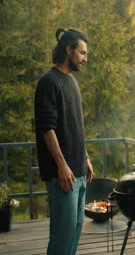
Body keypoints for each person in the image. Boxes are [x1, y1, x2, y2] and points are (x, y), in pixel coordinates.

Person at [34, 28, 94, 255]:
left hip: (78, 172)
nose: (85, 58)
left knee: (74, 232)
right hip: (63, 175)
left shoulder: (72, 82)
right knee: (62, 237)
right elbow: (46, 128)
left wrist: (85, 157)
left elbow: (76, 126)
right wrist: (61, 166)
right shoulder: (48, 82)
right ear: (68, 50)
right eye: (82, 52)